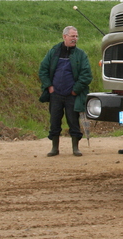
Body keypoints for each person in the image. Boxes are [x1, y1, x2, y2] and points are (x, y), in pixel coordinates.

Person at [39, 26, 92, 157]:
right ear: (64, 37)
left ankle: (75, 148)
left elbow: (86, 75)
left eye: (76, 36)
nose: (75, 39)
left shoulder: (81, 54)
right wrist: (49, 87)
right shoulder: (54, 51)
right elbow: (43, 70)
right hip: (55, 95)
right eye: (72, 36)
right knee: (54, 121)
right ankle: (54, 148)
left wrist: (75, 90)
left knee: (73, 122)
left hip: (72, 96)